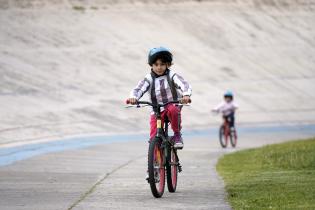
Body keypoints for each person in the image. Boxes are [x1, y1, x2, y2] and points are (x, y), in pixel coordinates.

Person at [127, 47, 192, 149]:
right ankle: (155, 157)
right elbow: (139, 89)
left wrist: (186, 95)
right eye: (156, 64)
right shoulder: (149, 78)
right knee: (153, 136)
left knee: (174, 110)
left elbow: (184, 84)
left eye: (162, 64)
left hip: (171, 104)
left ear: (167, 65)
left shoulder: (172, 75)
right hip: (156, 109)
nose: (159, 67)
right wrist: (133, 97)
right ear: (151, 65)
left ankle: (177, 135)